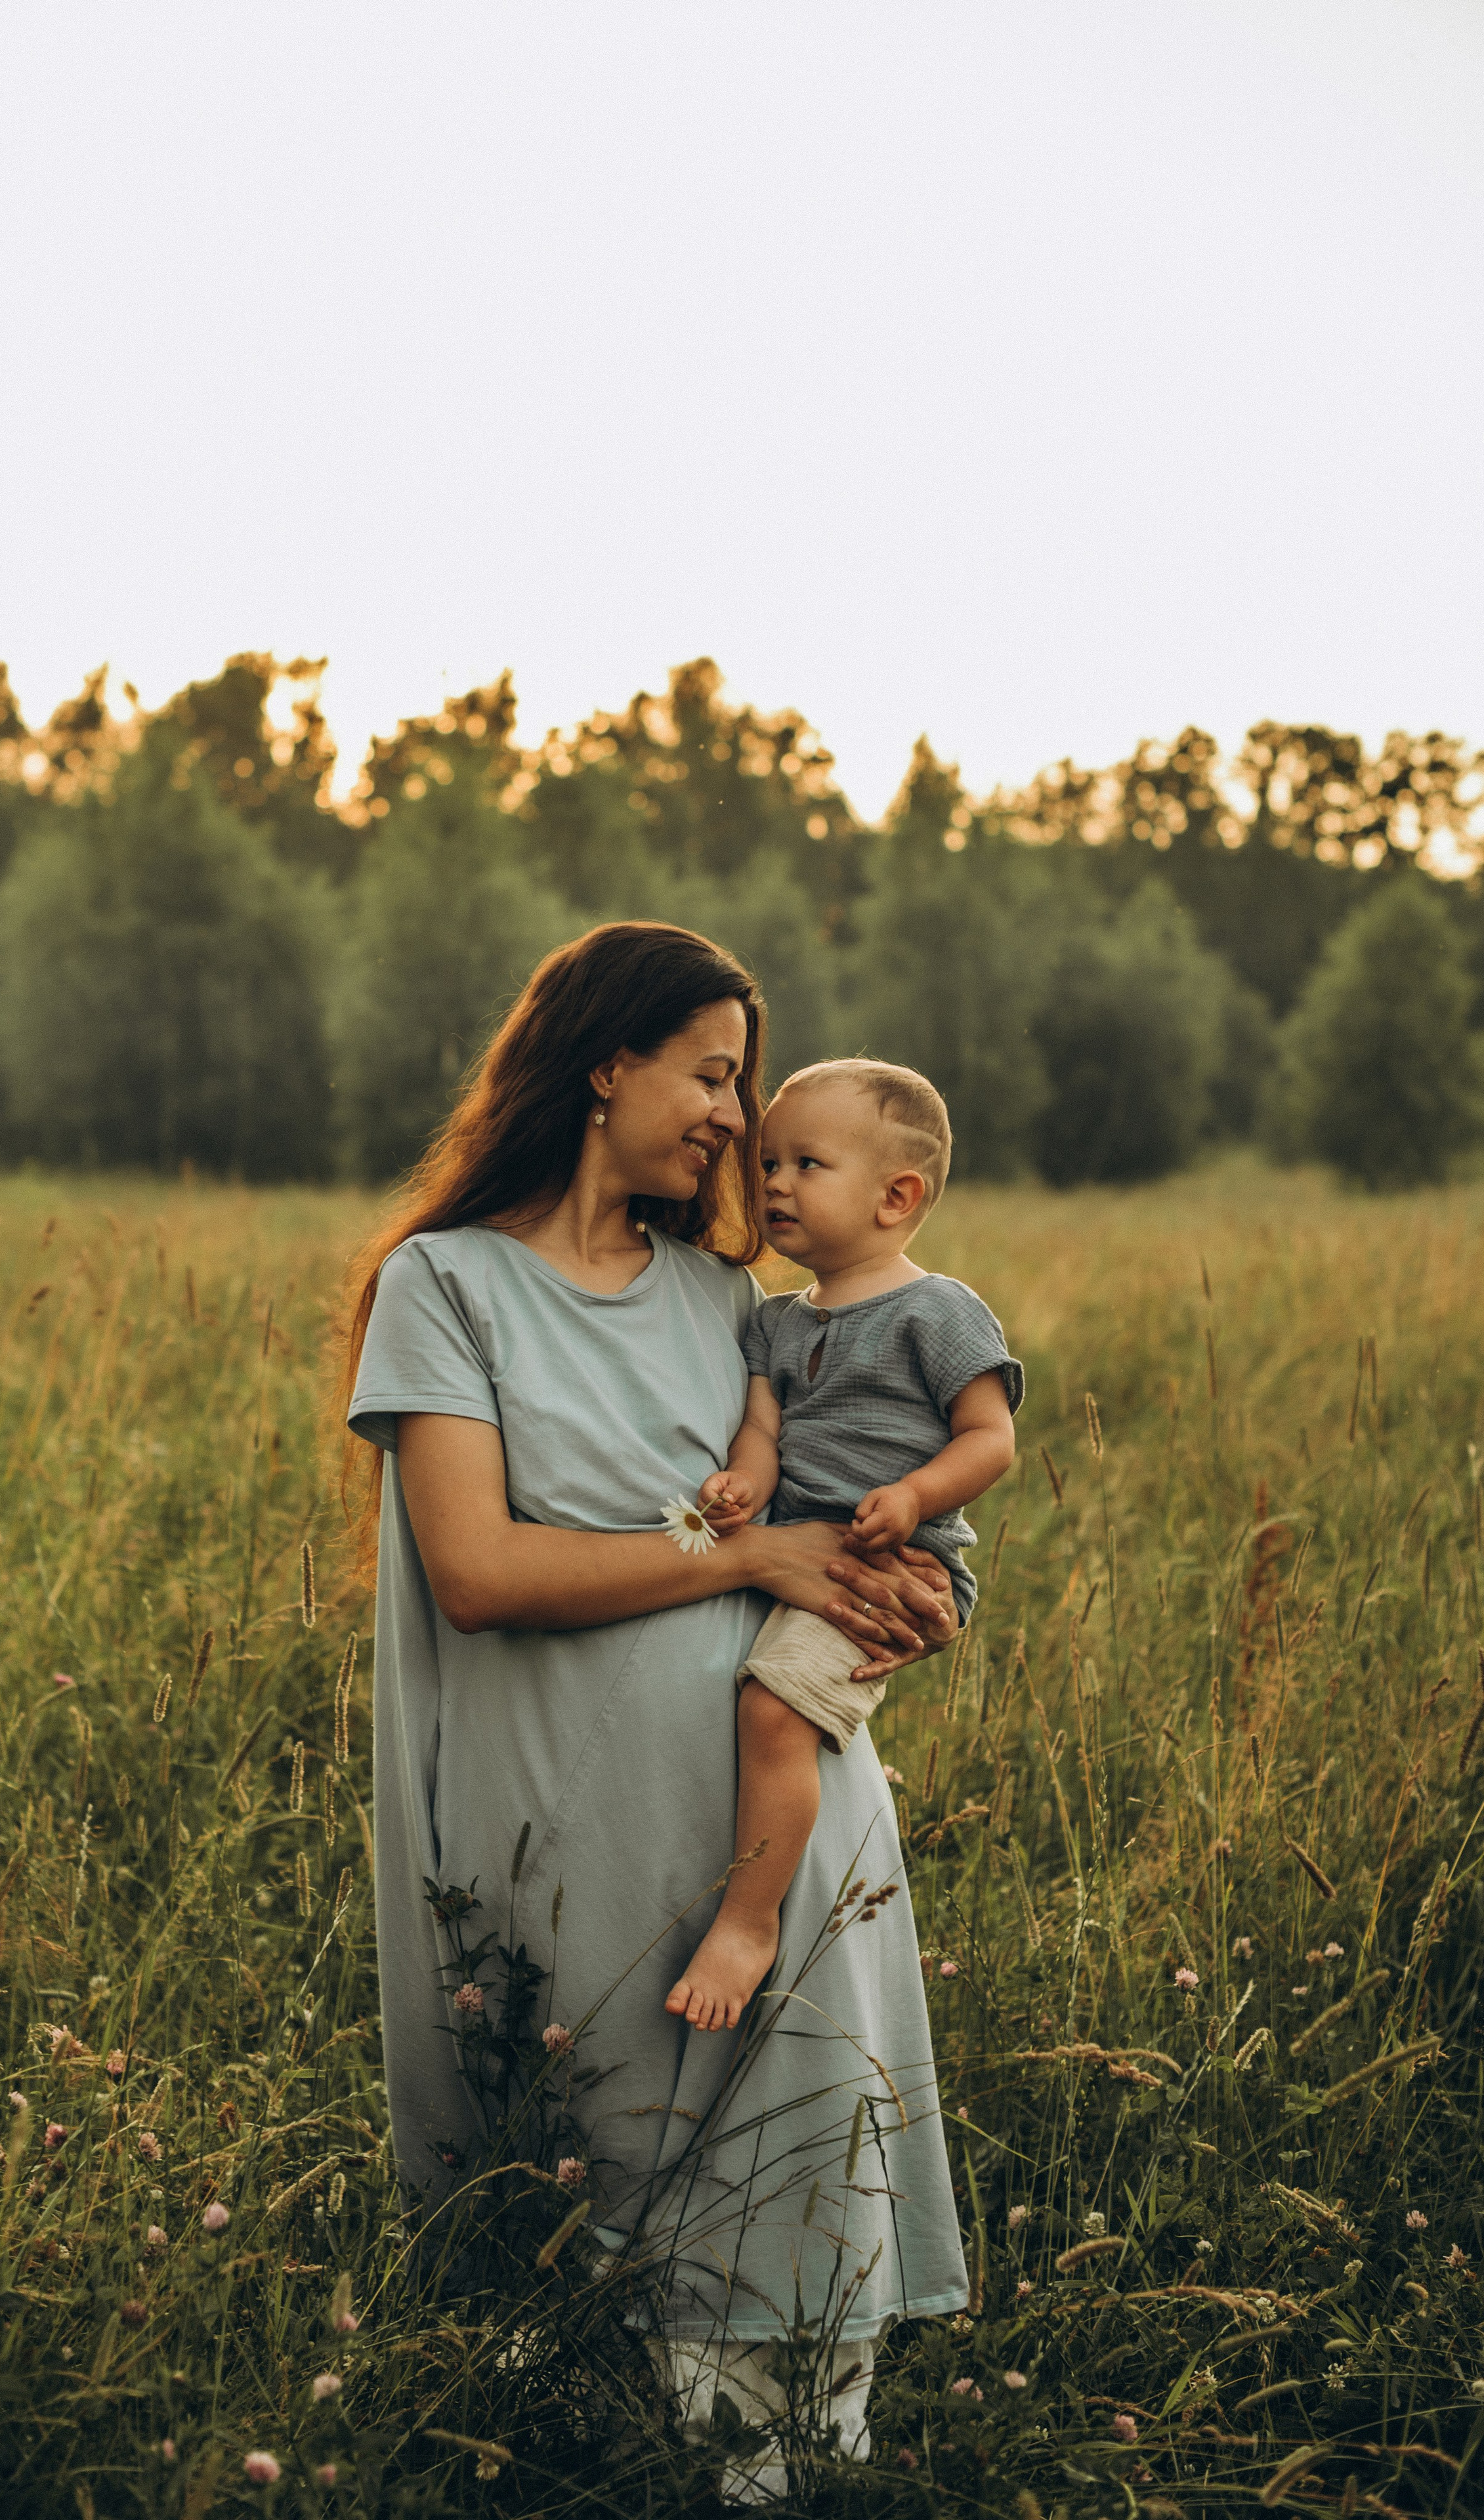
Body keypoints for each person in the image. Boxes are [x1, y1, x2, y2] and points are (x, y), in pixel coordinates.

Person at [344, 923, 971, 2492]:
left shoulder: (725, 1301)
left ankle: (780, 2476)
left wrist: (883, 1586)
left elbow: (711, 1526)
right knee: (588, 2176)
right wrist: (751, 1550)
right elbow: (479, 1569)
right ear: (601, 1061)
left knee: (782, 2188)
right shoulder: (445, 1283)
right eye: (706, 1072)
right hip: (573, 1818)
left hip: (776, 1838)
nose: (729, 1118)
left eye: (741, 1084)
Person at [666, 1058, 1023, 2033]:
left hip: (889, 1562)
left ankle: (749, 1923)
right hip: (795, 1547)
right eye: (769, 1161)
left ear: (895, 1196)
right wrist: (744, 1480)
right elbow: (765, 1431)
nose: (772, 1181)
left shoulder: (937, 1310)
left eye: (806, 1163)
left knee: (773, 1715)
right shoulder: (776, 1320)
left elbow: (991, 1438)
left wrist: (912, 1497)